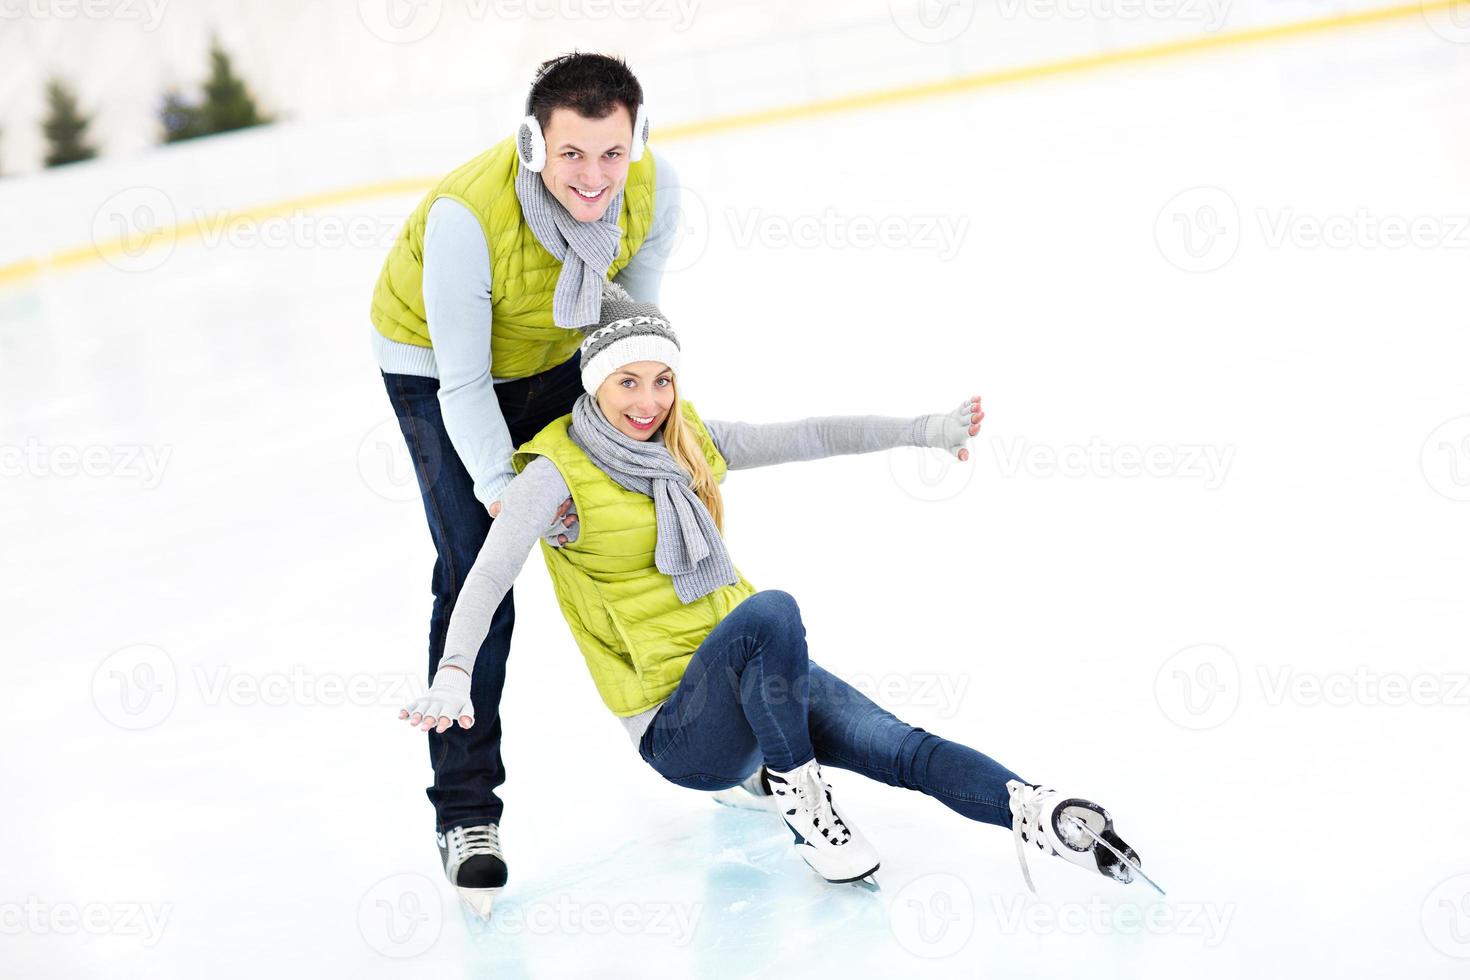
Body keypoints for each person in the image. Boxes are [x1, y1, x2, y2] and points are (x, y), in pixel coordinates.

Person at [398, 283, 1150, 903]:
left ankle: (1041, 812)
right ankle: (803, 802)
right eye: (629, 380)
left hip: (764, 682)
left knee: (901, 747)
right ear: (594, 381)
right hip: (681, 728)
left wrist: (922, 429)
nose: (649, 399)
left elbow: (809, 434)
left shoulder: (683, 438)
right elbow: (489, 571)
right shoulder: (555, 471)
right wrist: (456, 669)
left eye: (662, 379)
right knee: (771, 612)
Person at [370, 52, 681, 915]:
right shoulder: (470, 217)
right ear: (534, 143)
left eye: (611, 153)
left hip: (554, 354)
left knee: (652, 526)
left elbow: (629, 339)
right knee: (480, 573)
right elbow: (465, 385)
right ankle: (466, 814)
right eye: (572, 154)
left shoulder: (655, 191)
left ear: (637, 141)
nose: (593, 176)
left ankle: (708, 743)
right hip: (436, 372)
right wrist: (505, 492)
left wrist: (640, 455)